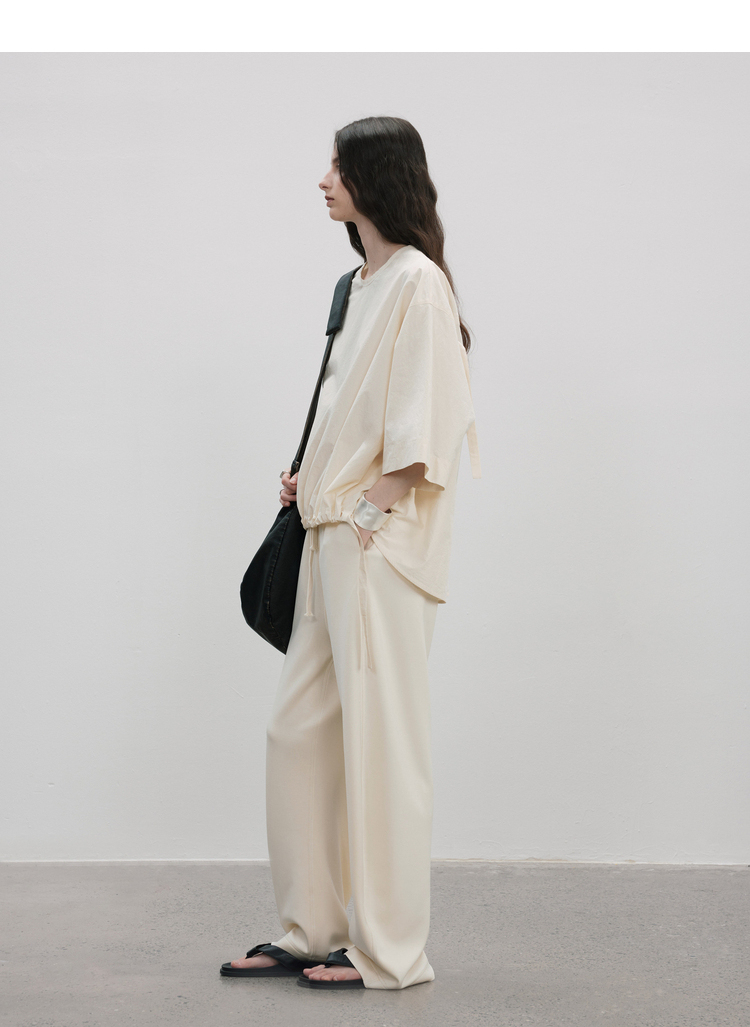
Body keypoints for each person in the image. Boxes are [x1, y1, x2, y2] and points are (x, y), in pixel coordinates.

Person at [221, 116, 481, 991]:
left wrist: (369, 508)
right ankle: (310, 927)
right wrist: (312, 477)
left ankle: (391, 951)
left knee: (382, 746)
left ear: (375, 176)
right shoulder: (358, 285)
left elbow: (428, 422)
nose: (323, 179)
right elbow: (350, 408)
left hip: (375, 544)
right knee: (298, 729)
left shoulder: (418, 284)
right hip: (329, 533)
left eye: (337, 165)